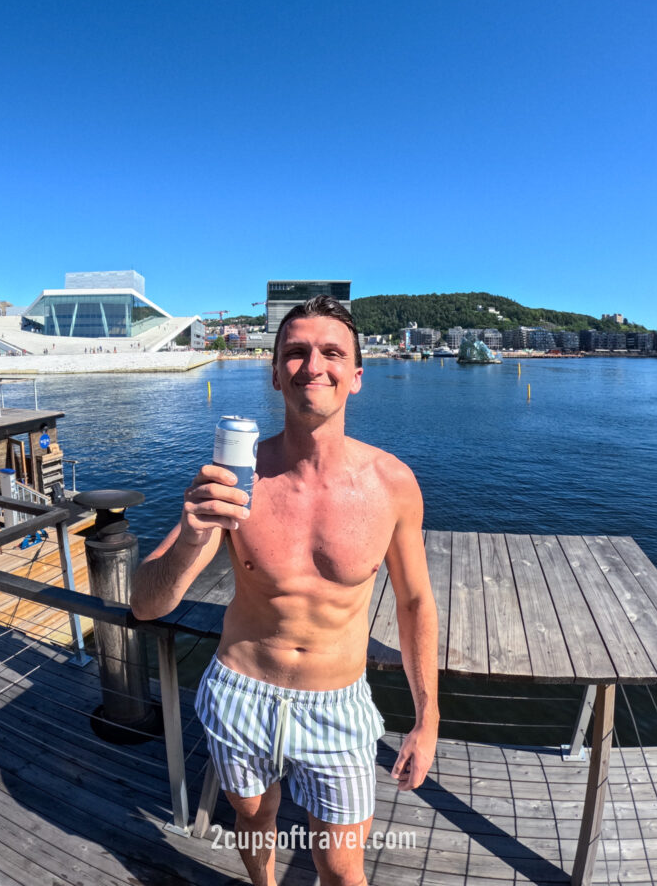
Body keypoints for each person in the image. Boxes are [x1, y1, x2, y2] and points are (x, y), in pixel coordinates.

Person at [131, 295, 439, 886]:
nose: (312, 366)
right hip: (240, 693)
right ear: (275, 374)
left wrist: (427, 718)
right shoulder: (236, 476)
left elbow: (415, 603)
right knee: (254, 819)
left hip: (338, 705)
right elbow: (147, 604)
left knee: (344, 868)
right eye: (295, 352)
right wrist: (195, 535)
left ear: (356, 376)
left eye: (331, 353)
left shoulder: (392, 485)